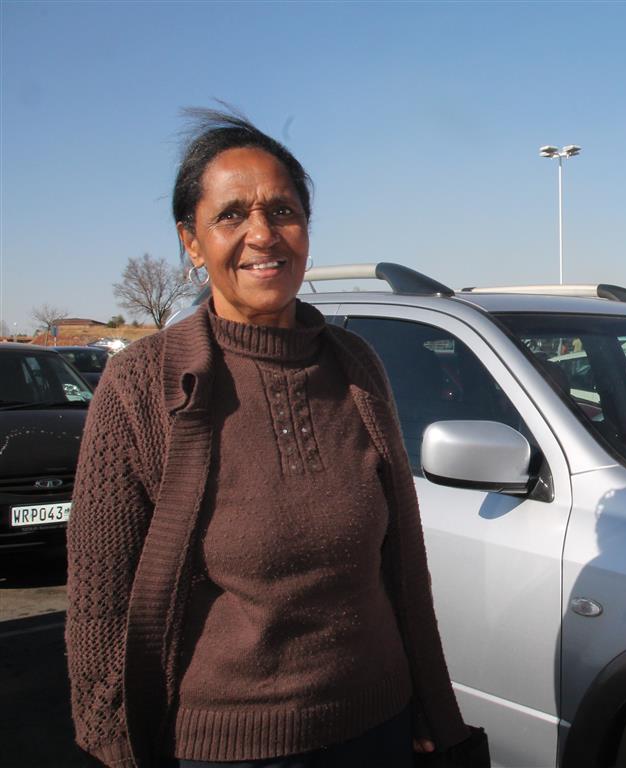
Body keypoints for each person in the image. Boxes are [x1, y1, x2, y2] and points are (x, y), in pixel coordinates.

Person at [66, 110, 469, 767]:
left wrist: (428, 698)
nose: (262, 234)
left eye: (283, 211)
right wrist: (114, 745)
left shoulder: (356, 365)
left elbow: (402, 558)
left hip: (378, 725)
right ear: (191, 241)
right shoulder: (139, 383)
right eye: (231, 215)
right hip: (224, 747)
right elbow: (99, 599)